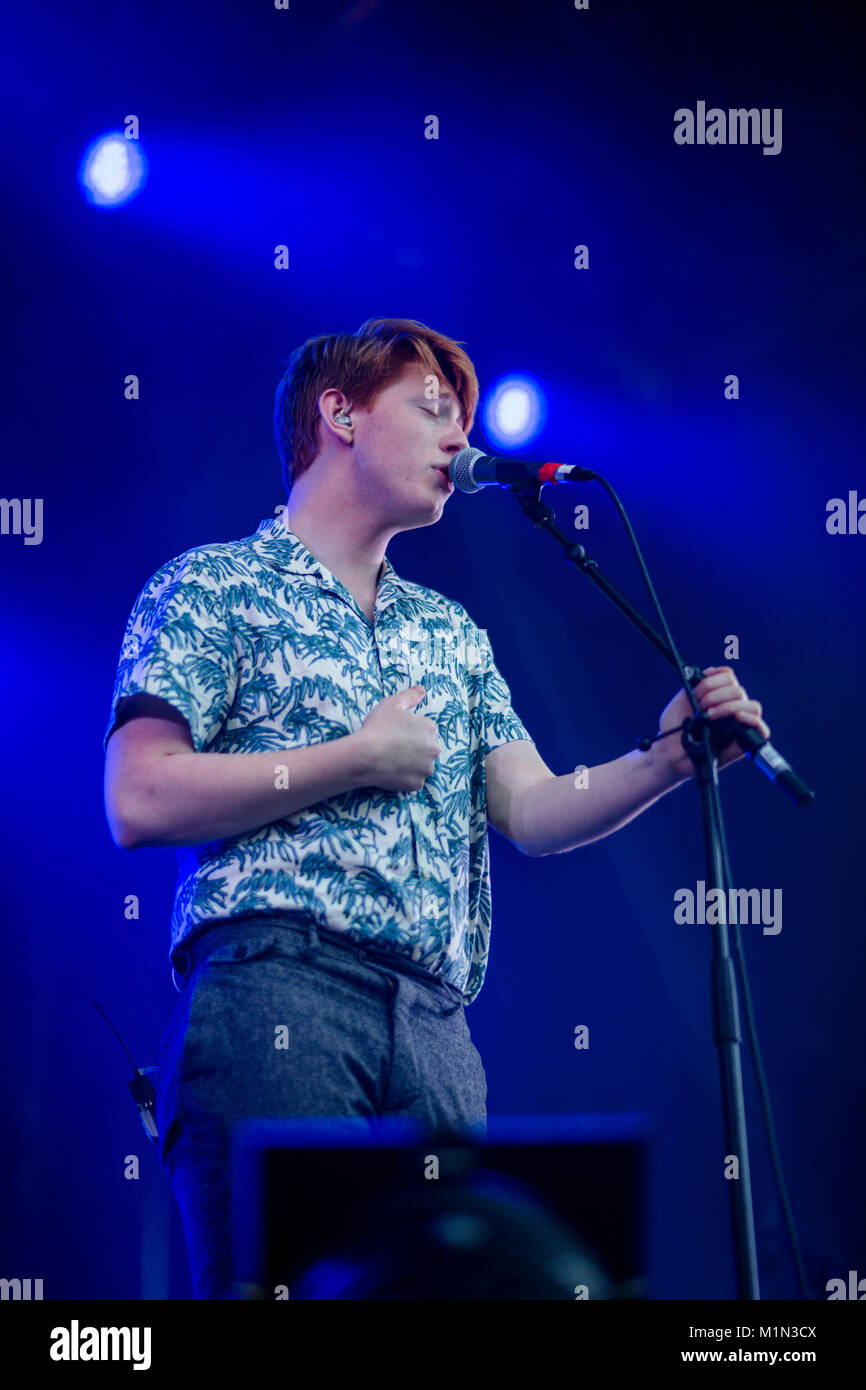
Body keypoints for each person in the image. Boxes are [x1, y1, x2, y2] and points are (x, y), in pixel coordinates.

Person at [102, 317, 770, 1299]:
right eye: (430, 409)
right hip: (276, 989)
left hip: (436, 1028)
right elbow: (137, 796)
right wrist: (355, 758)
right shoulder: (213, 586)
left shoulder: (449, 633)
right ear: (338, 413)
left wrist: (665, 757)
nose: (458, 438)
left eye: (461, 418)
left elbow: (536, 808)